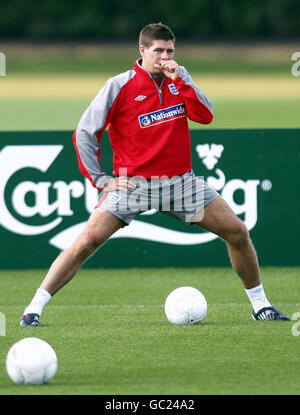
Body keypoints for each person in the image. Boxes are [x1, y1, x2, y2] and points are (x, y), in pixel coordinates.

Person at [20, 23, 289, 326]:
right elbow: (85, 132)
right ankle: (33, 309)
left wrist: (182, 82)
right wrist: (100, 179)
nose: (164, 56)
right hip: (132, 185)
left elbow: (205, 115)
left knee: (237, 232)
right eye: (158, 50)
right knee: (86, 242)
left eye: (170, 50)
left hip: (181, 183)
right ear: (142, 51)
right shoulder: (119, 85)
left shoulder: (180, 78)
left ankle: (261, 306)